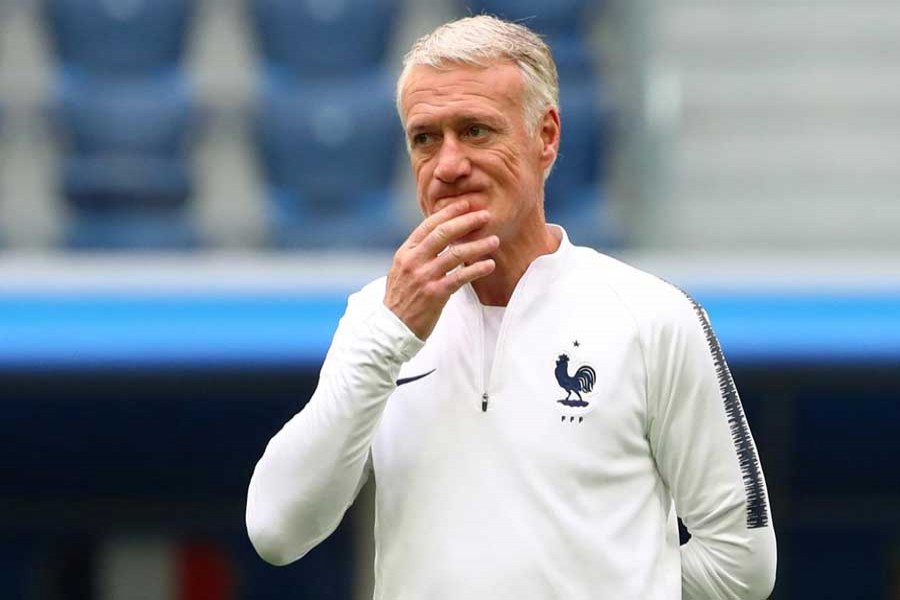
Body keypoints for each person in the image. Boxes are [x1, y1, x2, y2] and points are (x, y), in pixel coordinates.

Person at [246, 15, 777, 600]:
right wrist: (390, 333)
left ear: (546, 136)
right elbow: (277, 529)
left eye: (475, 130)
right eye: (425, 138)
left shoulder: (651, 316)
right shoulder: (375, 319)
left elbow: (741, 562)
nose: (447, 165)